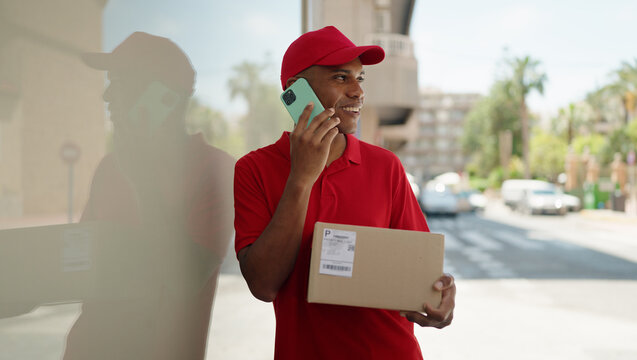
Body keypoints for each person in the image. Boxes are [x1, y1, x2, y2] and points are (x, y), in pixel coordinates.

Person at [233, 26, 456, 360]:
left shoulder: (386, 166)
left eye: (360, 78)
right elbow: (263, 286)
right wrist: (301, 179)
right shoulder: (254, 169)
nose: (358, 92)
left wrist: (442, 296)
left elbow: (419, 273)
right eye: (340, 78)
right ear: (297, 92)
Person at [63, 32, 234, 360]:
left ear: (165, 98)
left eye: (120, 81)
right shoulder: (110, 167)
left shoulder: (215, 169)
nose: (107, 95)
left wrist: (141, 177)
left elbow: (185, 279)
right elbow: (79, 264)